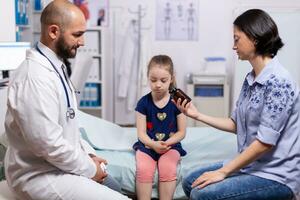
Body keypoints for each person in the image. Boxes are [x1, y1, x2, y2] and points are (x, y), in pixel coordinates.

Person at [4, 1, 130, 199]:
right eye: (77, 34)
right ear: (53, 31)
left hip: (57, 165)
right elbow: (49, 145)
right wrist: (90, 168)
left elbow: (69, 124)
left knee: (115, 186)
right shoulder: (34, 78)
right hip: (40, 175)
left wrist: (88, 155)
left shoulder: (55, 66)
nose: (83, 42)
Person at [176, 9, 300, 200]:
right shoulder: (251, 78)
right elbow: (236, 124)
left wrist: (223, 172)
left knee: (201, 193)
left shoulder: (279, 82)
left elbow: (264, 143)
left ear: (255, 39)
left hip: (276, 175)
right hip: (252, 166)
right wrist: (197, 115)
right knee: (190, 181)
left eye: (237, 39)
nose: (234, 46)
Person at [133, 55, 187, 200]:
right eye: (153, 80)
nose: (158, 84)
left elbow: (182, 132)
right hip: (147, 146)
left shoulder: (177, 102)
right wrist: (152, 144)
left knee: (168, 168)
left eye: (163, 80)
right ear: (148, 77)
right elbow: (141, 134)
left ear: (171, 78)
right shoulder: (143, 104)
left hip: (170, 146)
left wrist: (166, 144)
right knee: (144, 169)